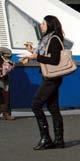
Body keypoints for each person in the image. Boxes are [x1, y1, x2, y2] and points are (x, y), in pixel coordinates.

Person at [27, 15, 65, 150]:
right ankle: (59, 141)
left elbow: (54, 60)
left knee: (36, 105)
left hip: (51, 78)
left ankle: (46, 138)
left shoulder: (54, 39)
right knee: (53, 108)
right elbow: (46, 55)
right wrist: (34, 52)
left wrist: (37, 57)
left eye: (43, 23)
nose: (41, 26)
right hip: (50, 77)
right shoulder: (47, 39)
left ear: (49, 24)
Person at [0, 48, 14, 120]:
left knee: (5, 97)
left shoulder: (7, 61)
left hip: (3, 80)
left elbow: (9, 67)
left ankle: (6, 113)